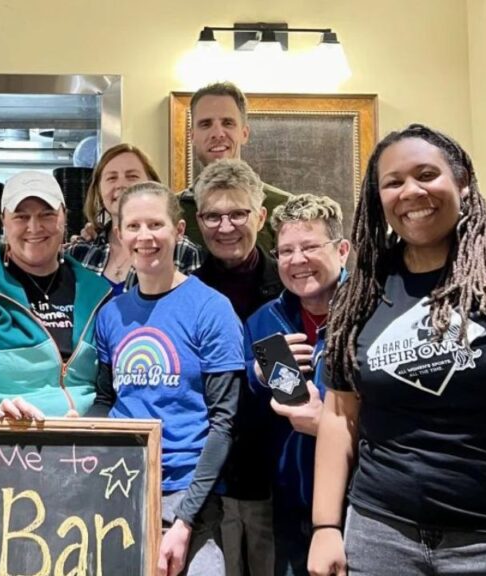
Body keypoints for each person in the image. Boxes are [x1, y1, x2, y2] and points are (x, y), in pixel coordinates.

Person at [310, 124, 486, 576]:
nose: (410, 191)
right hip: (382, 535)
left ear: (463, 182)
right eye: (392, 182)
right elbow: (340, 413)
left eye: (426, 174)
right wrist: (325, 527)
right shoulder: (365, 290)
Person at [90, 182, 243, 576]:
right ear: (120, 234)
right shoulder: (111, 315)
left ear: (178, 231)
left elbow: (223, 423)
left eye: (155, 224)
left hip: (189, 497)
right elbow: (106, 400)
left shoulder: (212, 309)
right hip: (120, 486)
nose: (145, 236)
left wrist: (186, 519)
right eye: (134, 226)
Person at [0, 170, 111, 419]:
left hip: (89, 442)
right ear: (3, 221)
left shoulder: (96, 290)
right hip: (2, 439)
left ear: (64, 218)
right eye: (21, 216)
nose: (34, 227)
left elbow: (112, 381)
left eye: (47, 215)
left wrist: (94, 424)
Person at [241, 194, 350, 576]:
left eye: (309, 247)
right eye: (286, 250)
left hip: (363, 509)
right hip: (290, 509)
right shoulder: (263, 322)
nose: (297, 260)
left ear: (342, 250)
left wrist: (330, 426)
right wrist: (257, 376)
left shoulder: (373, 311)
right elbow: (249, 408)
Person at [192, 158, 280, 576]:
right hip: (210, 479)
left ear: (260, 216)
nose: (225, 227)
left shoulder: (291, 285)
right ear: (198, 220)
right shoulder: (185, 292)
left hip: (279, 476)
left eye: (238, 214)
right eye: (213, 216)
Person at [67, 143, 202, 295]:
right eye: (111, 178)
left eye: (132, 176)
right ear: (98, 189)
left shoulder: (181, 250)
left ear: (152, 184)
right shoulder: (80, 252)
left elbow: (194, 307)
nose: (121, 185)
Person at [179, 81, 293, 252]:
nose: (217, 134)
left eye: (228, 123)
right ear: (192, 136)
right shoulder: (173, 210)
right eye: (206, 124)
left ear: (244, 133)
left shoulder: (285, 208)